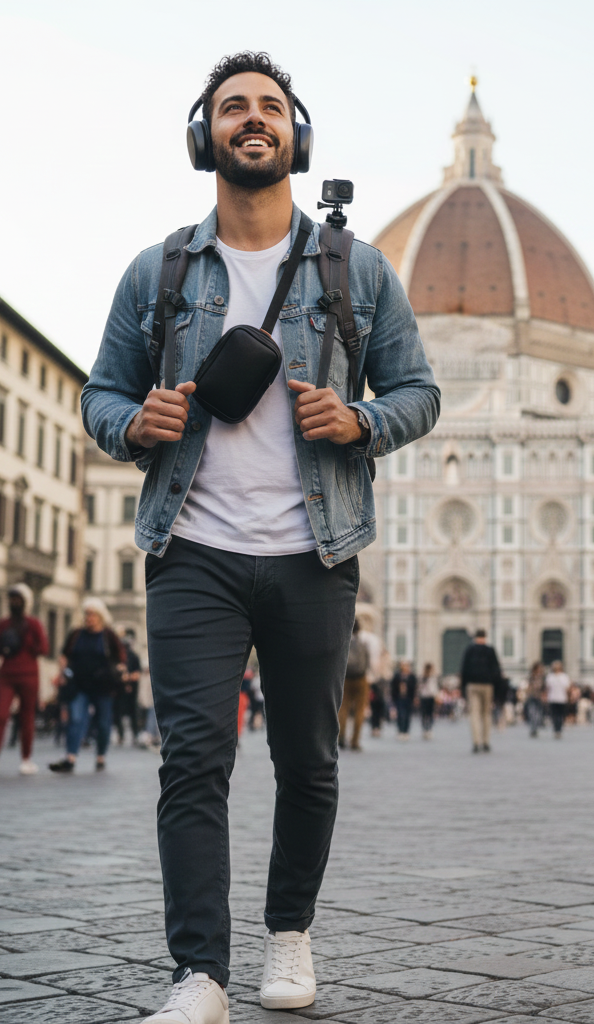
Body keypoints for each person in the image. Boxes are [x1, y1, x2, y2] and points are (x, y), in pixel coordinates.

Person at [81, 52, 439, 1022]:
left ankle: (289, 933)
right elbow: (98, 392)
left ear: (296, 134)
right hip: (190, 545)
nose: (252, 120)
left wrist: (361, 421)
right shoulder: (156, 270)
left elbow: (420, 391)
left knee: (308, 756)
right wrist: (131, 424)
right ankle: (199, 975)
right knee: (192, 758)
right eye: (232, 107)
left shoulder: (356, 268)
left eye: (269, 108)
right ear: (205, 136)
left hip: (312, 550)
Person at [49, 598, 125, 774]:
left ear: (100, 616)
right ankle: (70, 757)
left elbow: (121, 657)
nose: (88, 617)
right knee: (75, 719)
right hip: (79, 684)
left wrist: (120, 670)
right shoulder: (76, 634)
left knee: (103, 723)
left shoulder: (108, 635)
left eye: (92, 614)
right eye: (86, 614)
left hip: (103, 686)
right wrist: (63, 672)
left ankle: (100, 756)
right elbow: (64, 655)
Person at [0, 584, 47, 777]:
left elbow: (43, 648)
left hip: (28, 675)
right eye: (11, 599)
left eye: (17, 599)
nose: (13, 603)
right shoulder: (3, 624)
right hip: (7, 675)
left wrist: (27, 644)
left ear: (25, 602)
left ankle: (26, 759)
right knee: (0, 715)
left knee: (27, 717)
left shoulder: (33, 624)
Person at [460, 629, 500, 753]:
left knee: (474, 714)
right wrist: (497, 689)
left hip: (472, 685)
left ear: (475, 637)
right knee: (486, 714)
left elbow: (464, 670)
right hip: (487, 685)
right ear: (485, 637)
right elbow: (496, 670)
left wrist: (463, 689)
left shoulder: (469, 650)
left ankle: (476, 742)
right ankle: (486, 742)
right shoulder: (490, 650)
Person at [338, 620, 370, 751]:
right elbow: (367, 663)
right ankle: (355, 741)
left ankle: (341, 736)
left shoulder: (344, 643)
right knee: (359, 710)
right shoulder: (363, 644)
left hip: (345, 679)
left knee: (343, 708)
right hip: (360, 679)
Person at [114, 628, 142, 745]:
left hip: (132, 690)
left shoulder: (134, 657)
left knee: (133, 713)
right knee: (117, 713)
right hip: (119, 690)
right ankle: (121, 735)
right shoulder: (117, 657)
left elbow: (137, 674)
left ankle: (135, 735)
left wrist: (128, 677)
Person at [389, 660, 417, 741]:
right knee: (400, 715)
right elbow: (393, 687)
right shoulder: (397, 676)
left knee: (408, 715)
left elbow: (414, 688)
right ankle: (400, 730)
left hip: (408, 698)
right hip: (399, 698)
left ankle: (406, 731)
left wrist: (414, 698)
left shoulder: (412, 676)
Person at [544, 661, 571, 739]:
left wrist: (568, 698)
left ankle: (559, 729)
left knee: (561, 715)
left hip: (562, 699)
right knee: (554, 715)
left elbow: (567, 688)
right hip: (552, 698)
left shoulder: (564, 676)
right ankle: (556, 729)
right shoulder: (550, 676)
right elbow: (547, 688)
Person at [418, 663, 438, 739]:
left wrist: (436, 696)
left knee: (430, 714)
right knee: (424, 714)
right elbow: (420, 688)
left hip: (431, 697)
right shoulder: (422, 678)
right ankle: (425, 729)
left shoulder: (433, 677)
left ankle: (429, 729)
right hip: (424, 697)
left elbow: (435, 688)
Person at [525, 662, 545, 738]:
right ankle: (533, 728)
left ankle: (535, 728)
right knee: (532, 713)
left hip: (539, 697)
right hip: (532, 697)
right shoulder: (531, 677)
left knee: (538, 714)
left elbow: (544, 688)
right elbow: (529, 687)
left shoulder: (543, 677)